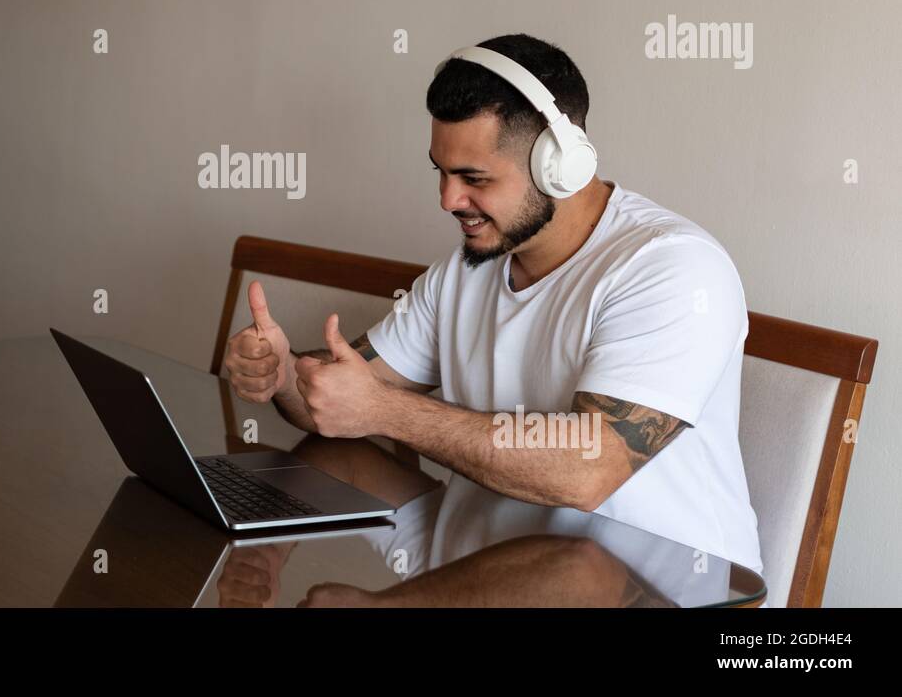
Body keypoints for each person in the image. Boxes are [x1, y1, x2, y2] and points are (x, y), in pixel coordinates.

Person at [222, 33, 762, 574]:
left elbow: (587, 471)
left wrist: (385, 412)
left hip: (661, 589)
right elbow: (345, 395)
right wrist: (285, 374)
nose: (448, 200)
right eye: (441, 171)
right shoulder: (466, 269)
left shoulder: (671, 267)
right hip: (492, 569)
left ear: (561, 165)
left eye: (473, 178)